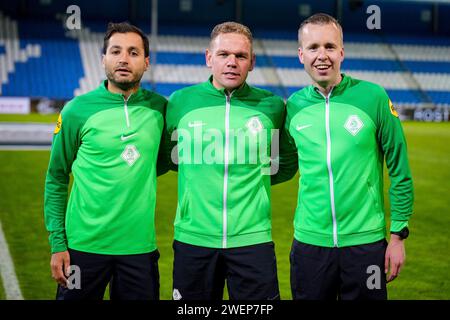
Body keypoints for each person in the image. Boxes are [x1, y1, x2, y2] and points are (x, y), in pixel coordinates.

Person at [281, 13, 414, 300]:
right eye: (313, 48)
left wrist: (398, 235)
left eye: (330, 47)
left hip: (365, 245)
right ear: (300, 55)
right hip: (309, 245)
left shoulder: (374, 97)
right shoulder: (293, 107)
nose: (322, 55)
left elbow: (400, 169)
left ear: (342, 52)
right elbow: (283, 164)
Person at [44, 22, 168, 300]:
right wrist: (57, 244)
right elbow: (56, 176)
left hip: (139, 250)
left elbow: (163, 160)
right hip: (82, 249)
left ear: (146, 62)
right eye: (116, 51)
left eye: (134, 52)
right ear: (103, 59)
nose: (124, 59)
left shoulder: (160, 108)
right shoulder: (76, 111)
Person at [166, 21, 289, 300]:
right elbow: (170, 155)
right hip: (193, 238)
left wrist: (255, 177)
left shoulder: (271, 106)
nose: (232, 62)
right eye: (223, 54)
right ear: (209, 58)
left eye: (241, 56)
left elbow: (285, 160)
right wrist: (200, 172)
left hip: (253, 239)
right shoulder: (180, 103)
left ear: (252, 62)